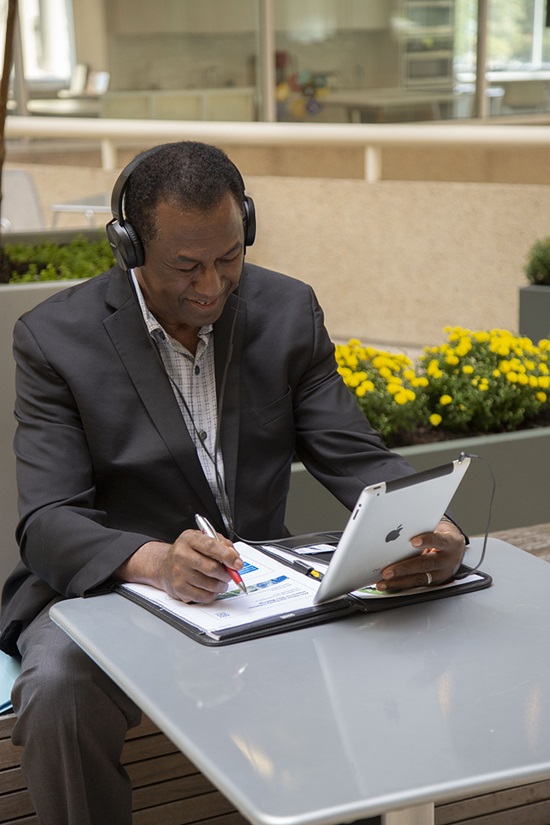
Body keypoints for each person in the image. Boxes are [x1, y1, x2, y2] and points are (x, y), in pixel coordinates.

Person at [0, 141, 466, 824]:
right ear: (128, 248)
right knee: (61, 683)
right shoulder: (54, 340)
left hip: (256, 586)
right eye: (185, 266)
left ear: (245, 227)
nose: (212, 285)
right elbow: (46, 519)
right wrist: (158, 561)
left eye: (228, 258)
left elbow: (355, 454)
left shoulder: (287, 311)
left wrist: (430, 524)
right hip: (114, 585)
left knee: (379, 646)